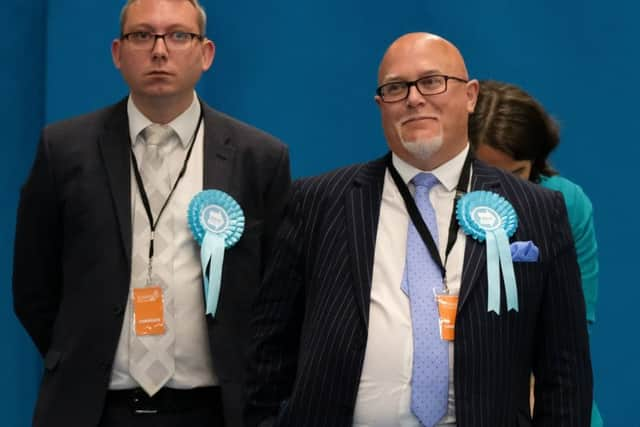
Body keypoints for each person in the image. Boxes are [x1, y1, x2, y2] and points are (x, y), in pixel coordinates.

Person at [246, 33, 592, 427]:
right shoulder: (318, 202)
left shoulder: (537, 211)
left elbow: (564, 371)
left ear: (471, 96)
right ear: (380, 106)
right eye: (396, 88)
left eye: (431, 82)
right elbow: (268, 352)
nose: (414, 98)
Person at [12, 0, 290, 426]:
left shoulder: (259, 158)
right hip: (93, 409)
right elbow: (33, 286)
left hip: (216, 411)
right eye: (142, 35)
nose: (160, 50)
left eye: (179, 35)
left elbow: (279, 295)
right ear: (118, 53)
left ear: (206, 53)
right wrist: (79, 356)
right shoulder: (64, 149)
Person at [469, 80, 602, 426]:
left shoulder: (566, 203)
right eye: (485, 175)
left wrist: (532, 388)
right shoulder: (428, 202)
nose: (503, 191)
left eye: (517, 175)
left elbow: (573, 329)